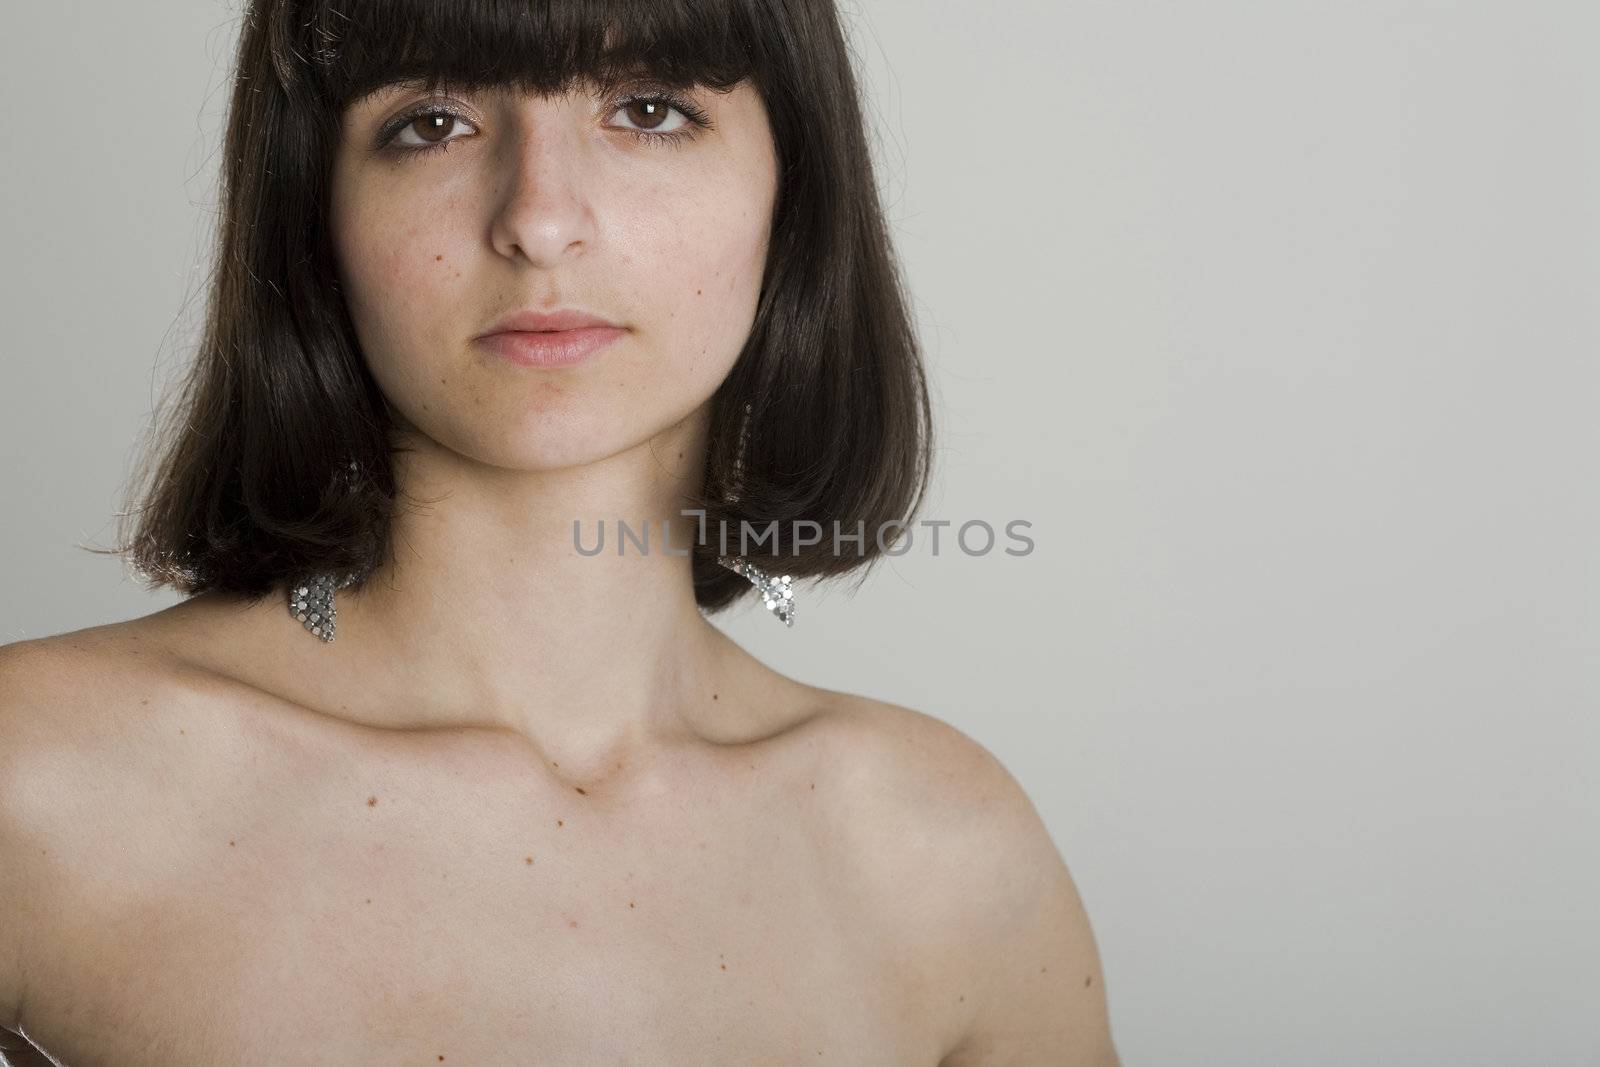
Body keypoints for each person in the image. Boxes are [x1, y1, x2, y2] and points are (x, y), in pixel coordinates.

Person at [0, 0, 1119, 1063]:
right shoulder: (38, 784)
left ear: (796, 189)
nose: (537, 219)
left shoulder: (947, 856)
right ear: (314, 211)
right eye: (431, 122)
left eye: (648, 110)